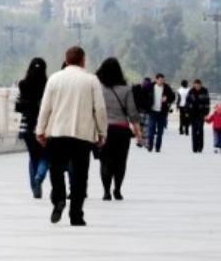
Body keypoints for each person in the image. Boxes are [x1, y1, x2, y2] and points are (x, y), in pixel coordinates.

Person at [36, 46, 107, 227]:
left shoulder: (54, 79)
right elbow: (99, 108)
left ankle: (58, 198)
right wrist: (102, 132)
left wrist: (40, 130)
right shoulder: (91, 80)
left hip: (58, 133)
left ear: (66, 60)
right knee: (80, 175)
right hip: (82, 135)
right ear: (83, 60)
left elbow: (45, 108)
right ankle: (76, 215)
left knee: (56, 169)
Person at [94, 57, 142, 201]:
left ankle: (106, 192)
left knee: (105, 161)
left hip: (103, 130)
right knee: (120, 161)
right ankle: (117, 190)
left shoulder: (98, 89)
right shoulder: (126, 90)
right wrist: (138, 132)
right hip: (121, 131)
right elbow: (132, 112)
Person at [16, 57, 49, 199]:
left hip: (27, 125)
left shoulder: (23, 84)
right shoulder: (48, 84)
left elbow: (18, 106)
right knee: (45, 155)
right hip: (44, 124)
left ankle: (34, 186)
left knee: (33, 156)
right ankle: (39, 176)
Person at [145, 73, 175, 152]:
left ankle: (158, 147)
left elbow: (173, 97)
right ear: (156, 79)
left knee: (160, 131)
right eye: (160, 80)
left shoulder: (166, 87)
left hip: (162, 113)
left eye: (163, 80)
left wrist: (167, 98)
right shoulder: (150, 87)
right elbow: (144, 95)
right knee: (151, 129)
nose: (162, 82)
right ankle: (150, 145)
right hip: (152, 112)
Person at [184, 79, 212, 154]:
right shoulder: (191, 91)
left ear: (201, 85)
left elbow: (207, 102)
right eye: (196, 85)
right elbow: (187, 102)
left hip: (201, 113)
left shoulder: (204, 91)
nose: (197, 87)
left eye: (198, 85)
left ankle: (200, 146)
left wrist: (206, 113)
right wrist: (186, 111)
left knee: (200, 129)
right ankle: (194, 147)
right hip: (192, 113)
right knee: (194, 130)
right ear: (194, 85)